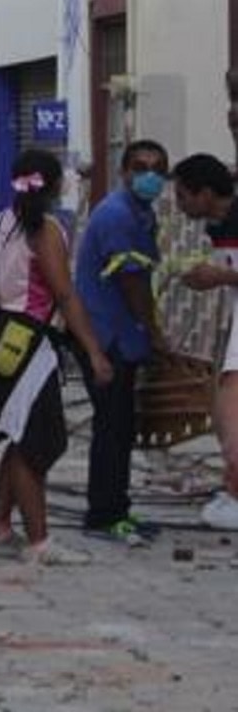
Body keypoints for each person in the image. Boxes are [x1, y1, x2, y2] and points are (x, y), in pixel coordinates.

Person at [0, 150, 113, 564]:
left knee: (17, 433)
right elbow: (65, 295)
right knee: (36, 444)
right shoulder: (45, 230)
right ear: (56, 185)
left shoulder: (2, 222)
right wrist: (94, 352)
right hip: (29, 346)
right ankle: (39, 542)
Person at [75, 139, 171, 546]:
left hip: (119, 333)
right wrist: (154, 331)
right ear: (124, 171)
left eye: (158, 169)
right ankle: (104, 514)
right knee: (112, 426)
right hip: (105, 334)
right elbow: (131, 282)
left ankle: (116, 507)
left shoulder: (140, 212)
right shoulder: (117, 215)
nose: (150, 176)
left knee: (120, 424)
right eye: (140, 167)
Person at [170, 153, 238, 530]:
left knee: (230, 404)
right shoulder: (217, 225)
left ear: (206, 194)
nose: (179, 205)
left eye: (183, 196)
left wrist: (218, 278)